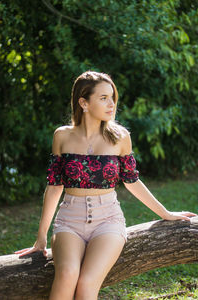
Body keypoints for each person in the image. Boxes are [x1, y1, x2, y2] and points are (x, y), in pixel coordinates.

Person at [14, 71, 196, 300]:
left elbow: (132, 181)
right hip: (69, 219)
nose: (112, 104)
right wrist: (41, 237)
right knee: (68, 273)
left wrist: (166, 213)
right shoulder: (62, 136)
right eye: (103, 98)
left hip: (108, 220)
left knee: (87, 283)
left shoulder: (120, 137)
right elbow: (54, 187)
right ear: (84, 102)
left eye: (112, 97)